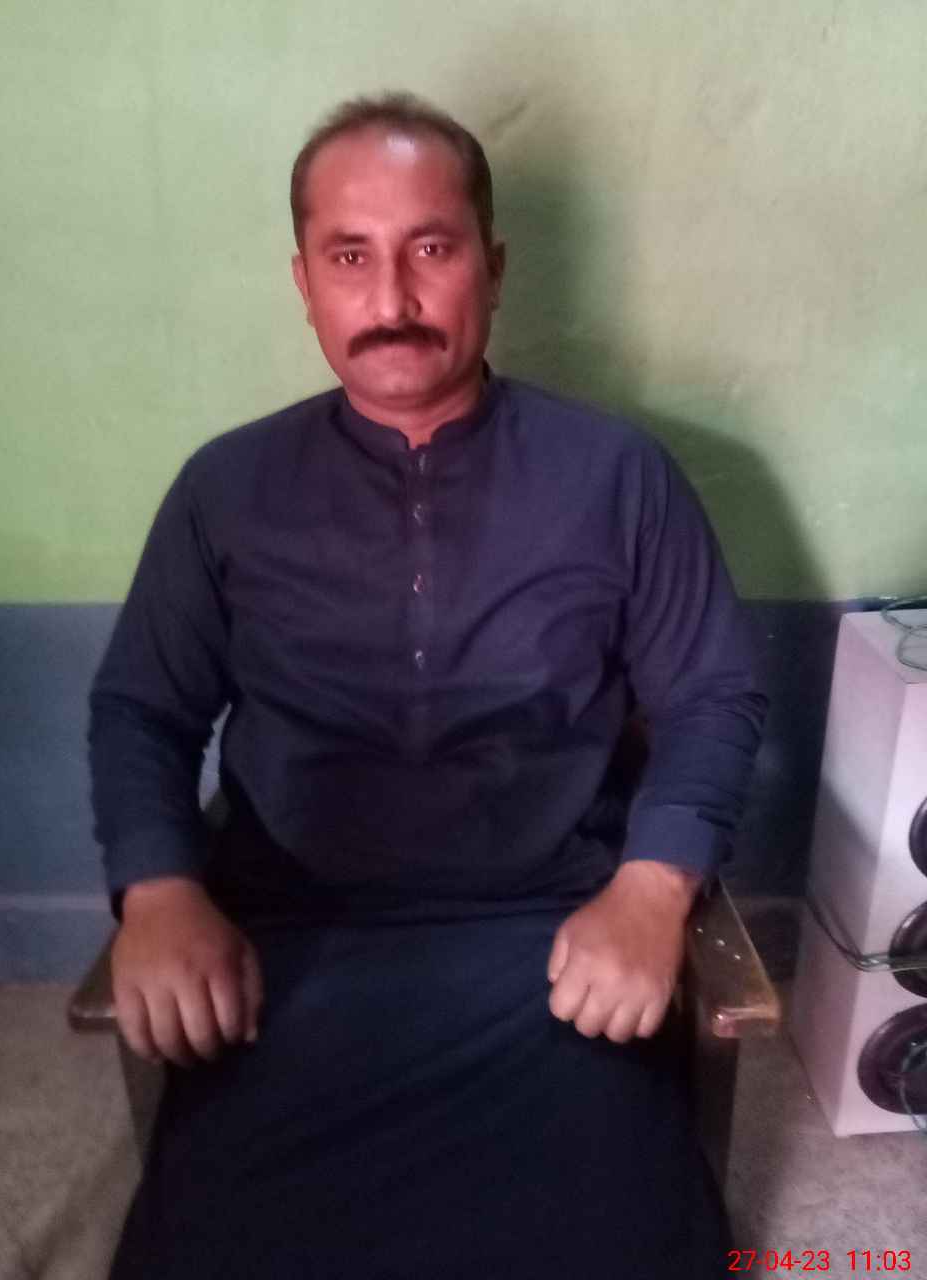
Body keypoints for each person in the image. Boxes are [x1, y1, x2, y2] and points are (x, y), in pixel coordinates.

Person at [90, 91, 767, 1279]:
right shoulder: (226, 489)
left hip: (554, 944)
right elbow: (142, 708)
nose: (392, 299)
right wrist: (159, 891)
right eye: (350, 255)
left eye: (432, 249)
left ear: (492, 269)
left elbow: (714, 694)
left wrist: (652, 888)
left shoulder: (617, 476)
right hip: (290, 948)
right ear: (303, 280)